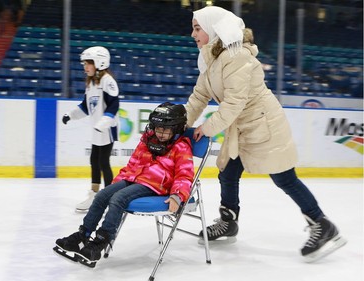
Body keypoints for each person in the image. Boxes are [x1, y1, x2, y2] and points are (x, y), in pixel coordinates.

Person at [186, 6, 346, 262]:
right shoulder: (211, 59)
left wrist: (206, 128)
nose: (192, 33)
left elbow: (234, 102)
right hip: (241, 128)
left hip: (264, 125)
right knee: (227, 172)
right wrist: (181, 121)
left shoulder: (236, 56)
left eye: (197, 28)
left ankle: (322, 224)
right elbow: (199, 97)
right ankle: (229, 221)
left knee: (284, 177)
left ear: (213, 29)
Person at [54, 102, 194, 267]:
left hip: (155, 186)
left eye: (166, 130)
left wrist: (177, 195)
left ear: (177, 128)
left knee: (118, 199)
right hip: (134, 178)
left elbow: (185, 175)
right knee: (102, 195)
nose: (161, 133)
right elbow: (133, 163)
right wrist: (118, 181)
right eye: (158, 128)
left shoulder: (181, 147)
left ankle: (100, 242)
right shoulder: (148, 140)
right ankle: (82, 235)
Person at [62, 46, 120, 212]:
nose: (85, 67)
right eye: (85, 64)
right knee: (94, 160)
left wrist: (103, 123)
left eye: (88, 63)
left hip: (107, 129)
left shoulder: (107, 81)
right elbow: (86, 107)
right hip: (97, 129)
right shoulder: (91, 83)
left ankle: (109, 196)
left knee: (103, 162)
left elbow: (114, 105)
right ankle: (94, 193)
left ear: (99, 63)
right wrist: (70, 115)